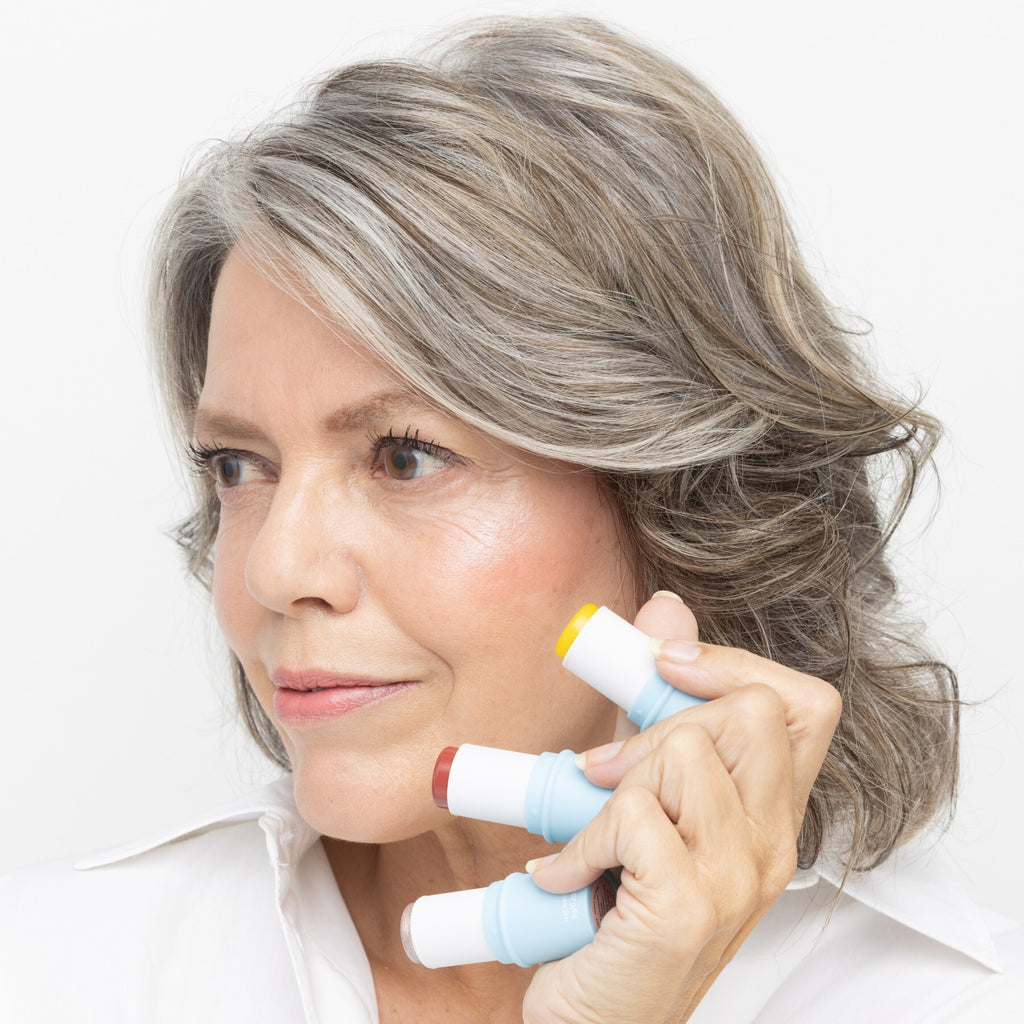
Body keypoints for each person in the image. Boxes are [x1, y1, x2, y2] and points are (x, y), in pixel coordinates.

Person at [1, 15, 1020, 1022]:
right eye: (238, 465)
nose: (276, 567)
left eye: (404, 456)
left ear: (680, 497)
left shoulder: (948, 1003)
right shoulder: (56, 972)